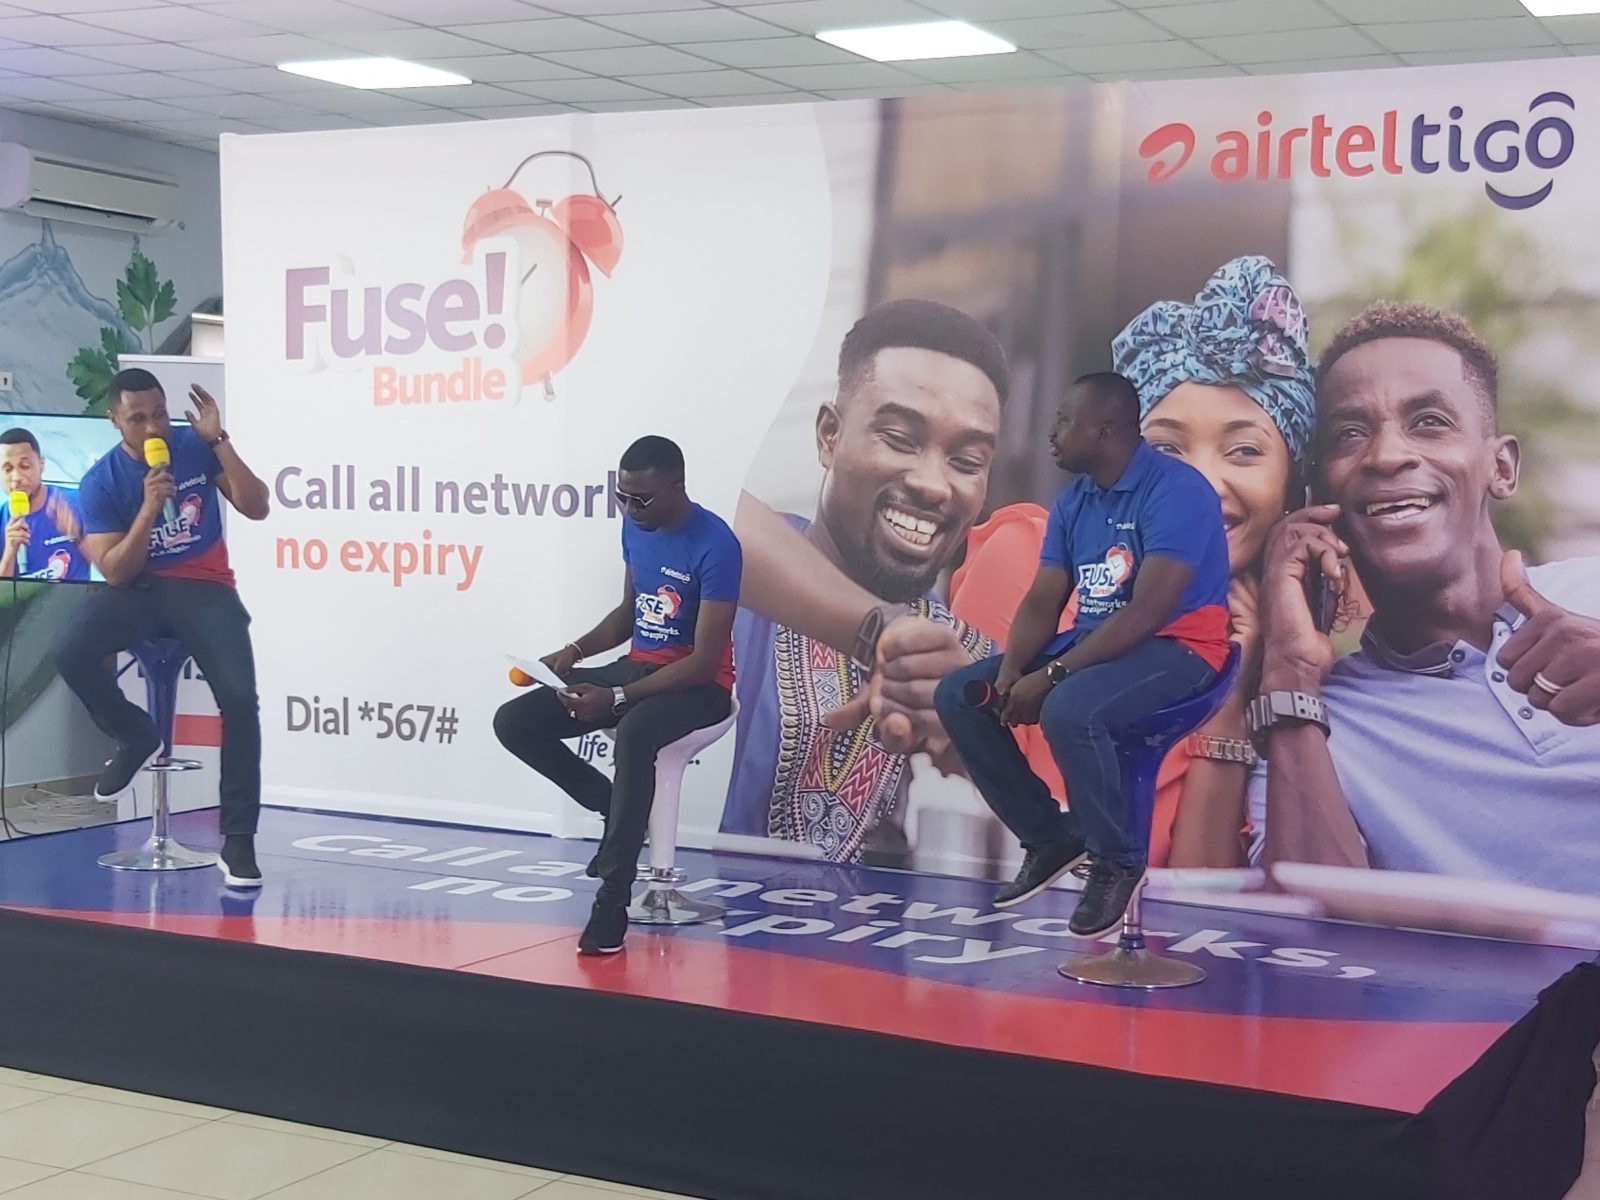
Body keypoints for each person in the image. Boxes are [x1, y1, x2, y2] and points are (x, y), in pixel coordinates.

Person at [1248, 303, 1600, 894]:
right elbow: (1311, 934)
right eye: (1349, 433)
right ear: (1318, 492)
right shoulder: (1304, 719)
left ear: (1501, 467)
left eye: (1430, 422)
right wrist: (1288, 673)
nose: (1386, 455)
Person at [934, 372, 1230, 935]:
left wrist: (1051, 677)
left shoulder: (1178, 491)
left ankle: (1116, 862)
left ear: (1106, 430)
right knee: (960, 695)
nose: (1052, 432)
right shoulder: (1075, 500)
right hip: (1094, 642)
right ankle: (1050, 837)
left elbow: (1148, 611)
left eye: (1065, 420)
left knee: (1070, 709)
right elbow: (1044, 597)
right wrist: (1012, 673)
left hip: (1181, 648)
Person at [721, 300, 1006, 865]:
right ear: (829, 435)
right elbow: (699, 504)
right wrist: (877, 628)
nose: (933, 484)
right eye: (900, 438)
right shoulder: (731, 589)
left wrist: (971, 746)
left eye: (967, 461)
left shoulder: (969, 662)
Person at [494, 436, 741, 955]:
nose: (630, 508)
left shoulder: (716, 544)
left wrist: (618, 697)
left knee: (634, 731)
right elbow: (629, 614)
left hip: (701, 688)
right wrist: (572, 652)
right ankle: (611, 809)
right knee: (514, 721)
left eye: (641, 499)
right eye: (621, 496)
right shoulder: (636, 525)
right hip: (638, 668)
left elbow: (703, 661)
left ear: (677, 487)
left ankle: (612, 900)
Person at [1112, 255, 1319, 867]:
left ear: (1290, 491)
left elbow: (1194, 911)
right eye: (1166, 449)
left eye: (1244, 450)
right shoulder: (1029, 569)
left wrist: (1228, 700)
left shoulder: (1286, 670)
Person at [55, 369, 272, 886]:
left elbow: (257, 507)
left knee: (240, 701)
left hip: (205, 587)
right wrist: (149, 508)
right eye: (138, 419)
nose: (153, 427)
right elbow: (115, 571)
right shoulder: (101, 481)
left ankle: (238, 840)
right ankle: (135, 734)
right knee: (69, 649)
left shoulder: (194, 445)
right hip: (139, 589)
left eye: (159, 414)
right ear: (114, 420)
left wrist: (219, 441)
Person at [0, 427, 90, 582]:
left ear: (41, 464)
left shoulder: (76, 501)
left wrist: (78, 535)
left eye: (25, 466)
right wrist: (10, 551)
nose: (16, 478)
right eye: (8, 469)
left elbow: (110, 568)